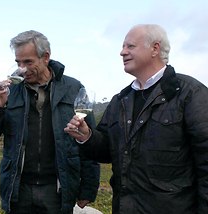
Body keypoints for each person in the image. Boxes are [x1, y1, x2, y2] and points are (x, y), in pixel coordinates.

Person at [65, 24, 208, 213]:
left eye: (130, 46)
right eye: (123, 47)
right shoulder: (120, 100)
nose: (122, 52)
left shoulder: (190, 93)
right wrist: (87, 136)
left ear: (155, 49)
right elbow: (107, 151)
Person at [0, 30, 100, 214]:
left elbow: (89, 141)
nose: (21, 69)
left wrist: (88, 188)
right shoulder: (10, 91)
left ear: (46, 57)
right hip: (19, 190)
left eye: (28, 62)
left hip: (57, 190)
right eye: (18, 62)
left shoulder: (73, 88)